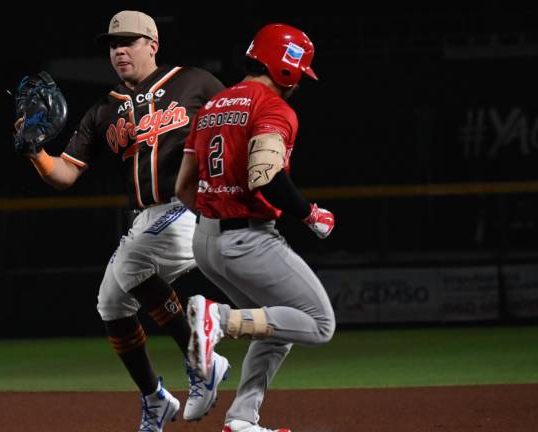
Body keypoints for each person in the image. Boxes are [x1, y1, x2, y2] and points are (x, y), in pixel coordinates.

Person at [18, 10, 229, 432]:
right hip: (149, 217)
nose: (119, 51)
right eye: (113, 45)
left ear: (153, 44)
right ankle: (155, 398)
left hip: (190, 204)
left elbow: (239, 120)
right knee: (110, 303)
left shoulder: (195, 82)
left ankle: (202, 360)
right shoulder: (102, 111)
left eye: (129, 42)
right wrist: (33, 150)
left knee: (132, 261)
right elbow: (65, 173)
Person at [174, 23, 336, 432]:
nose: (300, 82)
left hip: (206, 239)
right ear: (288, 68)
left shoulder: (212, 106)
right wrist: (309, 214)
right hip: (247, 238)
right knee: (318, 323)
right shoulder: (272, 105)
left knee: (274, 326)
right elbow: (266, 174)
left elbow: (182, 187)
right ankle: (218, 319)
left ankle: (242, 419)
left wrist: (216, 218)